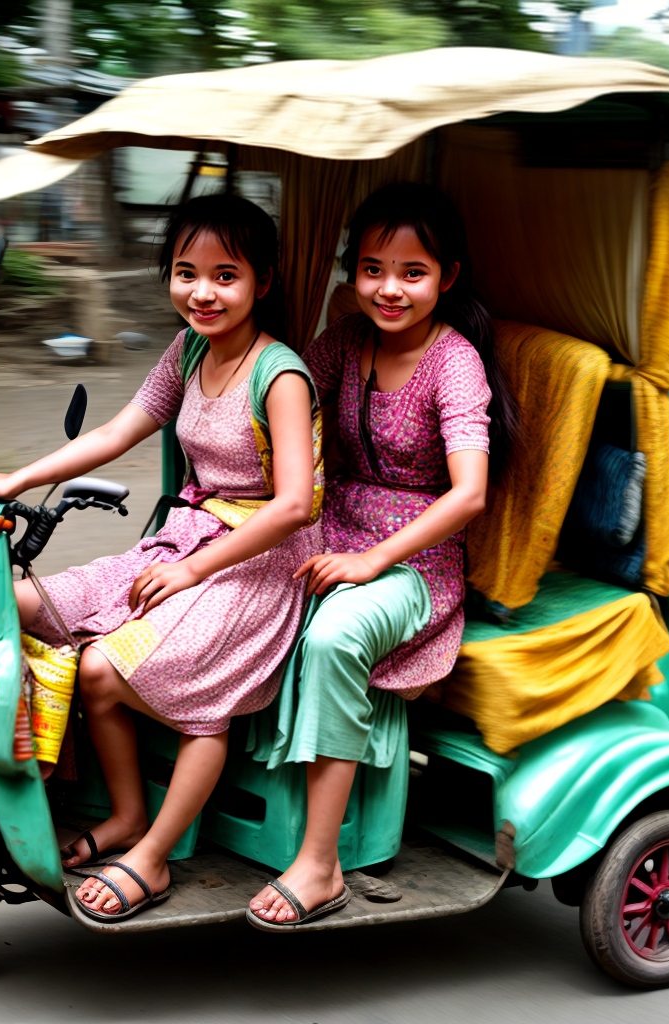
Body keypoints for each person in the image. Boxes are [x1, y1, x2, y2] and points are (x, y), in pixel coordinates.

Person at [0, 194, 323, 922]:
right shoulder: (188, 349)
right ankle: (122, 815)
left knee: (116, 669)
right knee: (20, 605)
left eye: (225, 276)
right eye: (186, 273)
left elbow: (294, 504)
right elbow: (122, 428)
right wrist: (16, 477)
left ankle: (153, 856)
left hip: (261, 561)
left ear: (264, 282)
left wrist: (193, 571)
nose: (202, 292)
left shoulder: (277, 374)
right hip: (186, 538)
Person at [247, 183, 519, 928]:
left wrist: (373, 564)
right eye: (372, 269)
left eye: (412, 272)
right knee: (227, 595)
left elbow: (468, 496)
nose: (389, 289)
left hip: (417, 563)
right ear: (351, 272)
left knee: (336, 633)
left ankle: (320, 862)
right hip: (330, 528)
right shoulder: (342, 343)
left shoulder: (453, 362)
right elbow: (282, 408)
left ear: (447, 278)